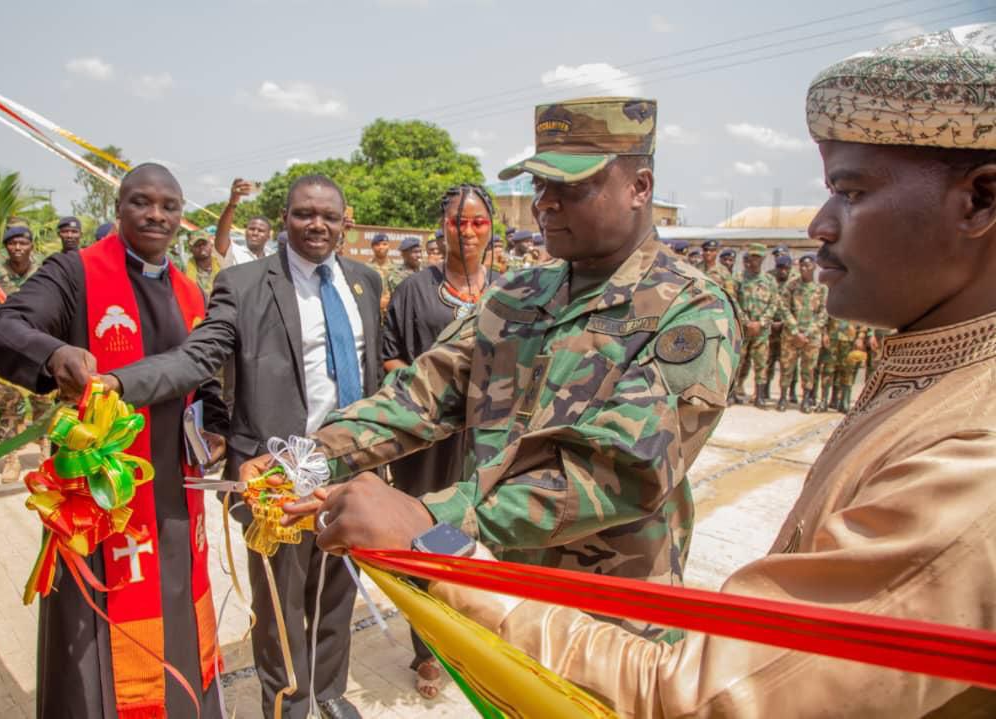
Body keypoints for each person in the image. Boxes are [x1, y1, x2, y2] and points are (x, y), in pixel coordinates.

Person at [427, 25, 996, 718]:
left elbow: (712, 696)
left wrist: (435, 539)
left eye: (849, 190)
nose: (819, 223)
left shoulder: (973, 456)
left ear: (981, 199)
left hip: (608, 613)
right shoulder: (938, 374)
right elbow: (427, 390)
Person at [273, 97, 741, 625]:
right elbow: (422, 394)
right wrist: (307, 459)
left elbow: (623, 469)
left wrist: (429, 516)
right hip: (498, 589)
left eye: (571, 188)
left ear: (640, 188)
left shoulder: (690, 309)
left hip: (607, 613)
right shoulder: (517, 294)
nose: (545, 204)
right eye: (540, 186)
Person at [100, 174, 383, 719]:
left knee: (336, 590)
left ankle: (328, 693)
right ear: (284, 219)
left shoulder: (364, 282)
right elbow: (200, 355)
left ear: (345, 222)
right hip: (274, 473)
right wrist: (119, 383)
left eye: (328, 215)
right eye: (304, 214)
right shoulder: (246, 283)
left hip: (348, 465)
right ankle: (286, 704)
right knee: (280, 600)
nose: (316, 224)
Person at [0, 164, 229, 718]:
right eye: (142, 202)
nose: (156, 214)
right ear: (119, 208)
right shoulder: (75, 274)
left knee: (179, 616)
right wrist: (53, 354)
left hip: (175, 497)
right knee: (96, 638)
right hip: (101, 501)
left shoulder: (190, 291)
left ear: (182, 218)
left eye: (169, 205)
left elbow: (204, 379)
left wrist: (215, 428)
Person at [381, 184, 492, 697]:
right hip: (426, 443)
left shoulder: (514, 291)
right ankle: (428, 649)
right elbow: (390, 360)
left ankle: (475, 634)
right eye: (456, 222)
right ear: (440, 228)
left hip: (489, 442)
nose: (467, 232)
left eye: (477, 222)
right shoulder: (412, 291)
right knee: (425, 536)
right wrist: (438, 398)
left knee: (482, 539)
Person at [0, 225, 56, 483]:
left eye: (22, 243)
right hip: (6, 353)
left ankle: (45, 457)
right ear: (6, 246)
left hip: (41, 351)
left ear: (31, 246)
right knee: (7, 409)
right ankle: (11, 459)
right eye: (12, 243)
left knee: (46, 408)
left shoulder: (45, 273)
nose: (17, 248)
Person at [777, 254, 827, 413]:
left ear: (814, 267)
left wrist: (807, 333)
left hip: (811, 338)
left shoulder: (821, 288)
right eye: (802, 266)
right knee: (787, 367)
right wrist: (795, 331)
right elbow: (783, 308)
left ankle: (806, 399)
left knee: (809, 369)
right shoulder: (791, 286)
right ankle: (783, 397)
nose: (804, 269)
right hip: (791, 335)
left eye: (808, 266)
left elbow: (823, 313)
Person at [733, 244, 779, 407]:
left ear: (763, 259)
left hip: (761, 331)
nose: (755, 260)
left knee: (761, 363)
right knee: (738, 361)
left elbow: (774, 304)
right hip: (743, 329)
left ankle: (759, 396)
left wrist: (761, 322)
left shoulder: (769, 280)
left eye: (758, 257)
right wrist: (746, 322)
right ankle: (733, 394)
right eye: (752, 257)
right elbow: (734, 302)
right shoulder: (739, 278)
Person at [214, 178, 274, 266]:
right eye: (251, 229)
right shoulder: (234, 252)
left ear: (268, 236)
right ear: (245, 232)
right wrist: (232, 202)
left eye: (261, 230)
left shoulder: (273, 258)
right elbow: (221, 235)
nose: (255, 233)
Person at [766, 253, 794, 402]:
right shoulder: (770, 281)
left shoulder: (794, 283)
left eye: (785, 268)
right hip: (770, 327)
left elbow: (793, 308)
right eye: (779, 267)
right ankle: (764, 391)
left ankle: (791, 393)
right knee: (768, 360)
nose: (782, 270)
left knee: (788, 363)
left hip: (787, 329)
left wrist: (785, 323)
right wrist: (770, 322)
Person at [184, 230, 220, 296]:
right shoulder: (184, 271)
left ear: (211, 245)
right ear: (190, 248)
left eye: (204, 244)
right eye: (197, 245)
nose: (201, 247)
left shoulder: (221, 264)